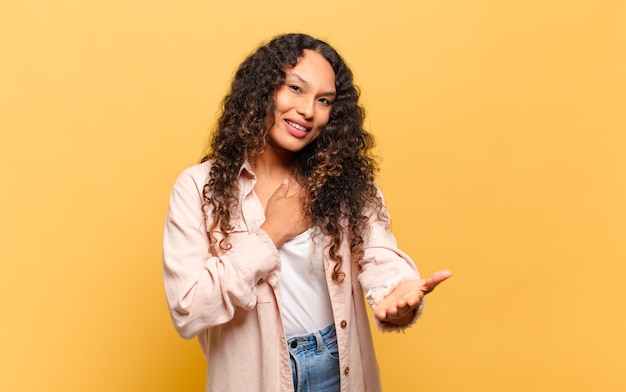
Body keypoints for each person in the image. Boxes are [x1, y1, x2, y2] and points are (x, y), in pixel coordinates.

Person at [162, 33, 452, 392]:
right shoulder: (199, 188)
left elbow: (378, 252)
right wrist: (271, 233)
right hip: (258, 377)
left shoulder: (343, 179)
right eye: (295, 89)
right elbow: (188, 309)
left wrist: (396, 296)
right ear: (262, 89)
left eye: (324, 100)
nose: (308, 110)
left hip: (339, 365)